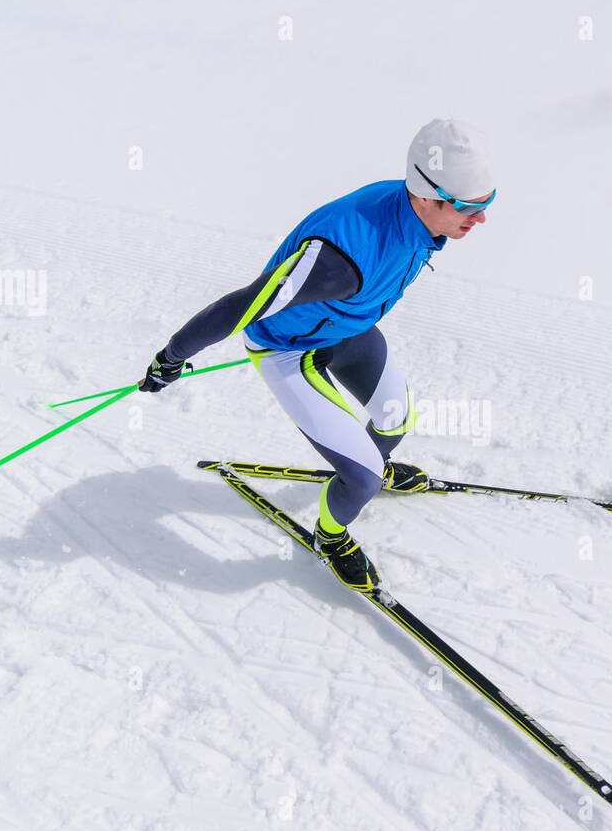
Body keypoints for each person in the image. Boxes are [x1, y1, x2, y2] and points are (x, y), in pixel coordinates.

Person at [139, 118, 496, 592]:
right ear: (427, 197)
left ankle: (366, 467)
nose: (481, 218)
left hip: (349, 329)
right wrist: (171, 357)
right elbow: (241, 306)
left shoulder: (417, 211)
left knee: (396, 420)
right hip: (287, 351)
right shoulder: (337, 263)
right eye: (470, 207)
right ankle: (331, 535)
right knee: (363, 480)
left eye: (488, 202)